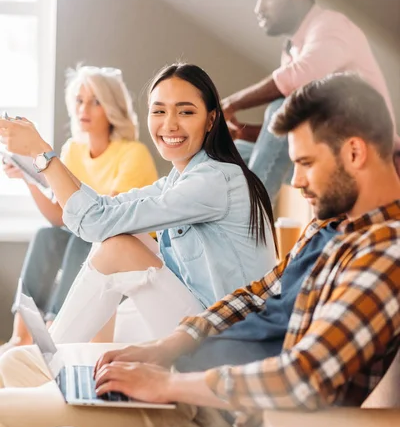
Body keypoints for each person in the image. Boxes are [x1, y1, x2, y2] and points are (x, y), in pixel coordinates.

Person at [0, 73, 399, 427]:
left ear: (354, 152)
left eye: (306, 163)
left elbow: (303, 377)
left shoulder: (383, 254)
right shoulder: (331, 226)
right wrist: (166, 347)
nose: (295, 181)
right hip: (187, 373)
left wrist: (169, 381)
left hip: (209, 410)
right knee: (18, 366)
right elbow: (255, 295)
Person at [4, 62, 278, 346]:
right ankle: (61, 353)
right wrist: (41, 163)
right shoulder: (179, 179)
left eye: (185, 112)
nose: (169, 124)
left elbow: (94, 222)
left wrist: (41, 153)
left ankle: (48, 360)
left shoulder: (213, 181)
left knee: (117, 247)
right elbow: (104, 209)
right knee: (117, 241)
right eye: (159, 111)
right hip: (204, 313)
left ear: (211, 120)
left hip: (230, 337)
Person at [2, 65, 158, 351]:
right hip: (90, 234)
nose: (84, 108)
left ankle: (53, 331)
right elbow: (58, 216)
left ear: (111, 108)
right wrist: (29, 179)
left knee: (80, 237)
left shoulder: (132, 153)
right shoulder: (73, 149)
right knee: (47, 236)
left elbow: (105, 221)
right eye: (80, 100)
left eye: (95, 101)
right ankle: (21, 335)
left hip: (130, 247)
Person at [222, 0, 397, 201]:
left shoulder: (331, 26)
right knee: (232, 154)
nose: (258, 7)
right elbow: (284, 132)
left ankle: (251, 224)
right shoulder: (293, 48)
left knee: (281, 105)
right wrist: (240, 131)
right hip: (328, 151)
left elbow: (297, 78)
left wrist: (229, 105)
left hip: (366, 153)